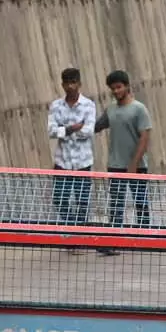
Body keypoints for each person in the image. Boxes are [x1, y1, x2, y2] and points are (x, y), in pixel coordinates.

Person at [99, 70, 154, 229]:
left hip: (137, 167)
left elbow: (144, 138)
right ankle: (114, 239)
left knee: (141, 204)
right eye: (113, 88)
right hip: (115, 166)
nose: (116, 91)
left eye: (119, 87)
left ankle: (144, 238)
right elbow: (97, 126)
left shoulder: (139, 109)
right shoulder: (110, 109)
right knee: (116, 206)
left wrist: (133, 164)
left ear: (127, 86)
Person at [47, 67, 98, 227]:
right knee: (59, 199)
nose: (70, 86)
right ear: (62, 85)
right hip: (62, 162)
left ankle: (79, 238)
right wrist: (73, 128)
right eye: (67, 83)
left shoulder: (88, 105)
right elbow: (51, 131)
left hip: (82, 162)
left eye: (73, 82)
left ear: (79, 83)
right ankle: (74, 228)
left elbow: (88, 131)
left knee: (83, 202)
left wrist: (64, 129)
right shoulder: (55, 106)